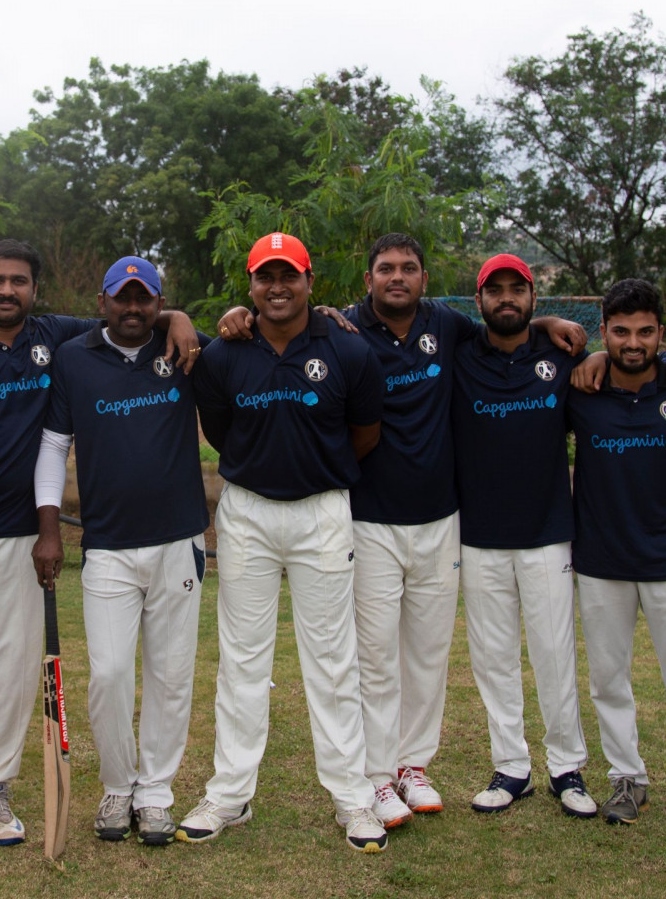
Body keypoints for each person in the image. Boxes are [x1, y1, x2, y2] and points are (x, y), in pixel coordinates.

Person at [215, 234, 588, 827]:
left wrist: (548, 322)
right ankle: (377, 775)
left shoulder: (447, 324)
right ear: (367, 281)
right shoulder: (342, 329)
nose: (397, 277)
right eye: (385, 268)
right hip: (369, 519)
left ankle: (414, 766)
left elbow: (505, 324)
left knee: (428, 655)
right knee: (374, 656)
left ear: (424, 279)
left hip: (440, 517)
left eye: (408, 268)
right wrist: (236, 314)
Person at [0, 239, 197, 872]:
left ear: (35, 289)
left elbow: (134, 318)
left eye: (19, 281)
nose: (7, 290)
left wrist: (179, 317)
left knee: (10, 678)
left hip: (19, 542)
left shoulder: (53, 337)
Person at [178, 232, 390, 854]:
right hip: (247, 512)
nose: (277, 287)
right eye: (265, 276)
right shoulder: (224, 354)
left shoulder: (346, 348)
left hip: (322, 512)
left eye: (288, 275)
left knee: (332, 660)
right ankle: (229, 794)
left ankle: (353, 797)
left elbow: (365, 433)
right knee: (243, 659)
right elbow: (221, 433)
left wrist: (311, 469)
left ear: (308, 281)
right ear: (250, 285)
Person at [32, 256, 210, 847]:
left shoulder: (183, 348)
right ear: (102, 301)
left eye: (145, 298)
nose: (133, 308)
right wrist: (50, 528)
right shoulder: (73, 358)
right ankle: (117, 785)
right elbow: (54, 446)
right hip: (107, 544)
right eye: (122, 297)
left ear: (159, 301)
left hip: (178, 540)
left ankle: (155, 792)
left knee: (170, 675)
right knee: (108, 674)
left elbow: (250, 337)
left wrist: (184, 319)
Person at [566, 278, 666, 836]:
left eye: (644, 332)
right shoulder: (581, 388)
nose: (632, 343)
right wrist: (586, 357)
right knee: (608, 680)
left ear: (662, 332)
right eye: (620, 332)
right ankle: (626, 778)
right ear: (603, 332)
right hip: (600, 559)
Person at [453, 252, 600, 818]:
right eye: (496, 290)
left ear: (534, 297)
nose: (507, 298)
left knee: (554, 654)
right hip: (479, 534)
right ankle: (511, 767)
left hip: (547, 532)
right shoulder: (460, 352)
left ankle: (567, 768)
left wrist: (579, 342)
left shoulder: (561, 355)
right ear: (479, 300)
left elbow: (615, 363)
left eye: (518, 289)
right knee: (493, 658)